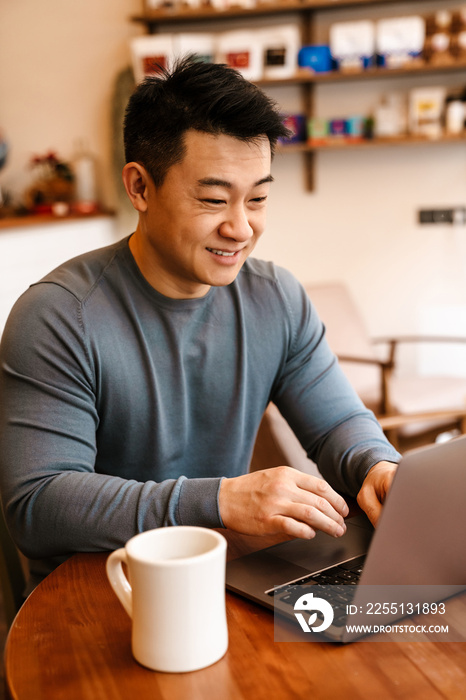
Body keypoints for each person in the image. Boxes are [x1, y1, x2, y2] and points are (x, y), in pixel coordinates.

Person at [0, 57, 399, 592]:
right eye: (213, 199)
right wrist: (220, 499)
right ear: (140, 187)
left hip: (222, 578)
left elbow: (336, 425)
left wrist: (378, 467)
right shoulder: (58, 316)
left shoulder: (276, 298)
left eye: (257, 198)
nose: (241, 227)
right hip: (96, 596)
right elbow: (38, 503)